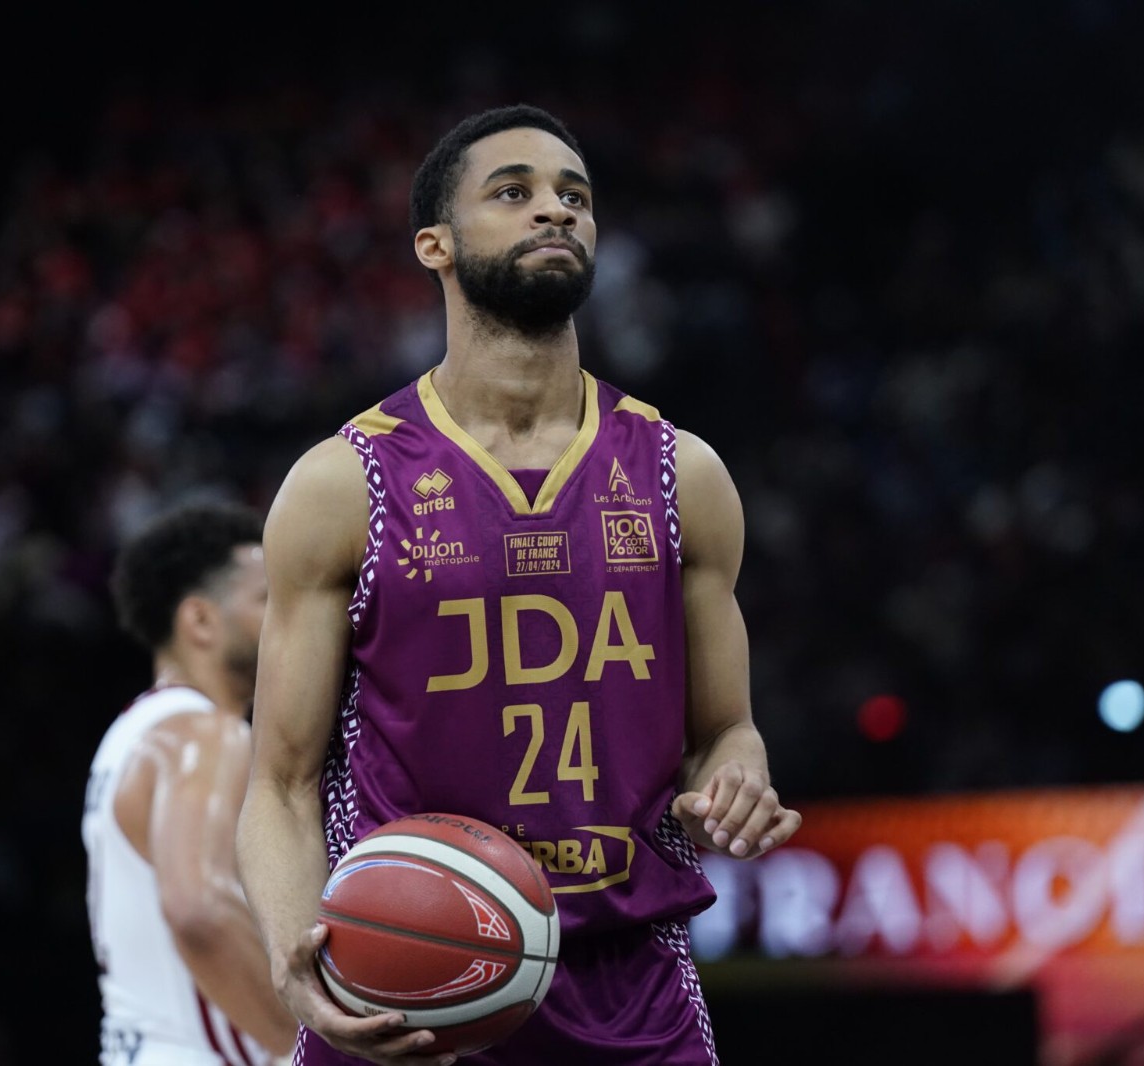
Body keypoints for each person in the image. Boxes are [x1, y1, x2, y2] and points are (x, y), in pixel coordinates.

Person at [236, 103, 802, 1066]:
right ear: (436, 245)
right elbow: (281, 785)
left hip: (629, 987)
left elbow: (724, 731)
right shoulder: (345, 484)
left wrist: (736, 780)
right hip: (402, 979)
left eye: (574, 196)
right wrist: (301, 969)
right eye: (514, 192)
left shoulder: (683, 473)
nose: (555, 210)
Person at [84, 499, 298, 1066]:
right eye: (268, 599)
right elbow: (199, 908)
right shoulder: (206, 734)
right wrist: (308, 1045)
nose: (291, 617)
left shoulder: (131, 733)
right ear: (200, 620)